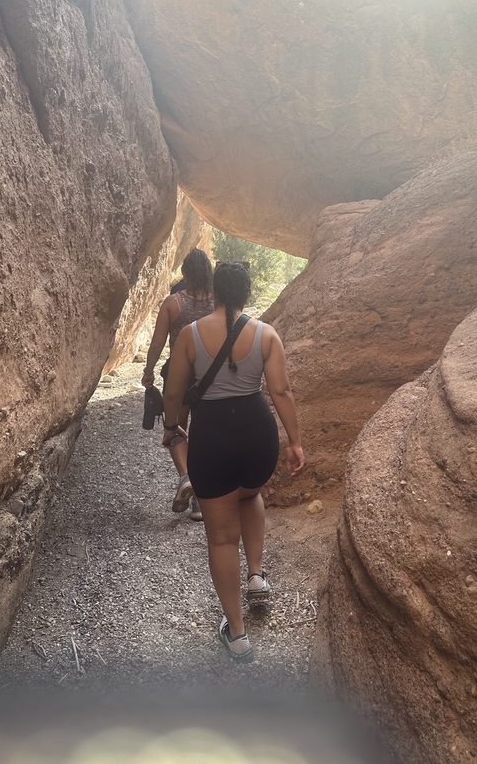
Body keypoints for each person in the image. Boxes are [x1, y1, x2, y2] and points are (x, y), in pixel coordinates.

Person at [162, 261, 304, 662]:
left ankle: (238, 635)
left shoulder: (190, 335)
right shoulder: (267, 335)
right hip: (258, 435)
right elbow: (282, 391)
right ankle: (256, 576)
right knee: (249, 494)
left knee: (222, 536)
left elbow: (174, 392)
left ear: (216, 293)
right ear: (246, 294)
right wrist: (295, 442)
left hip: (213, 437)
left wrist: (172, 427)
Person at [141, 248, 214, 521]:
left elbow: (158, 342)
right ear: (209, 274)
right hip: (209, 376)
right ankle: (200, 500)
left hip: (179, 374)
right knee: (203, 432)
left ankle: (186, 479)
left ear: (184, 274)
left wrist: (148, 371)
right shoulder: (219, 302)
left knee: (175, 428)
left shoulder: (173, 303)